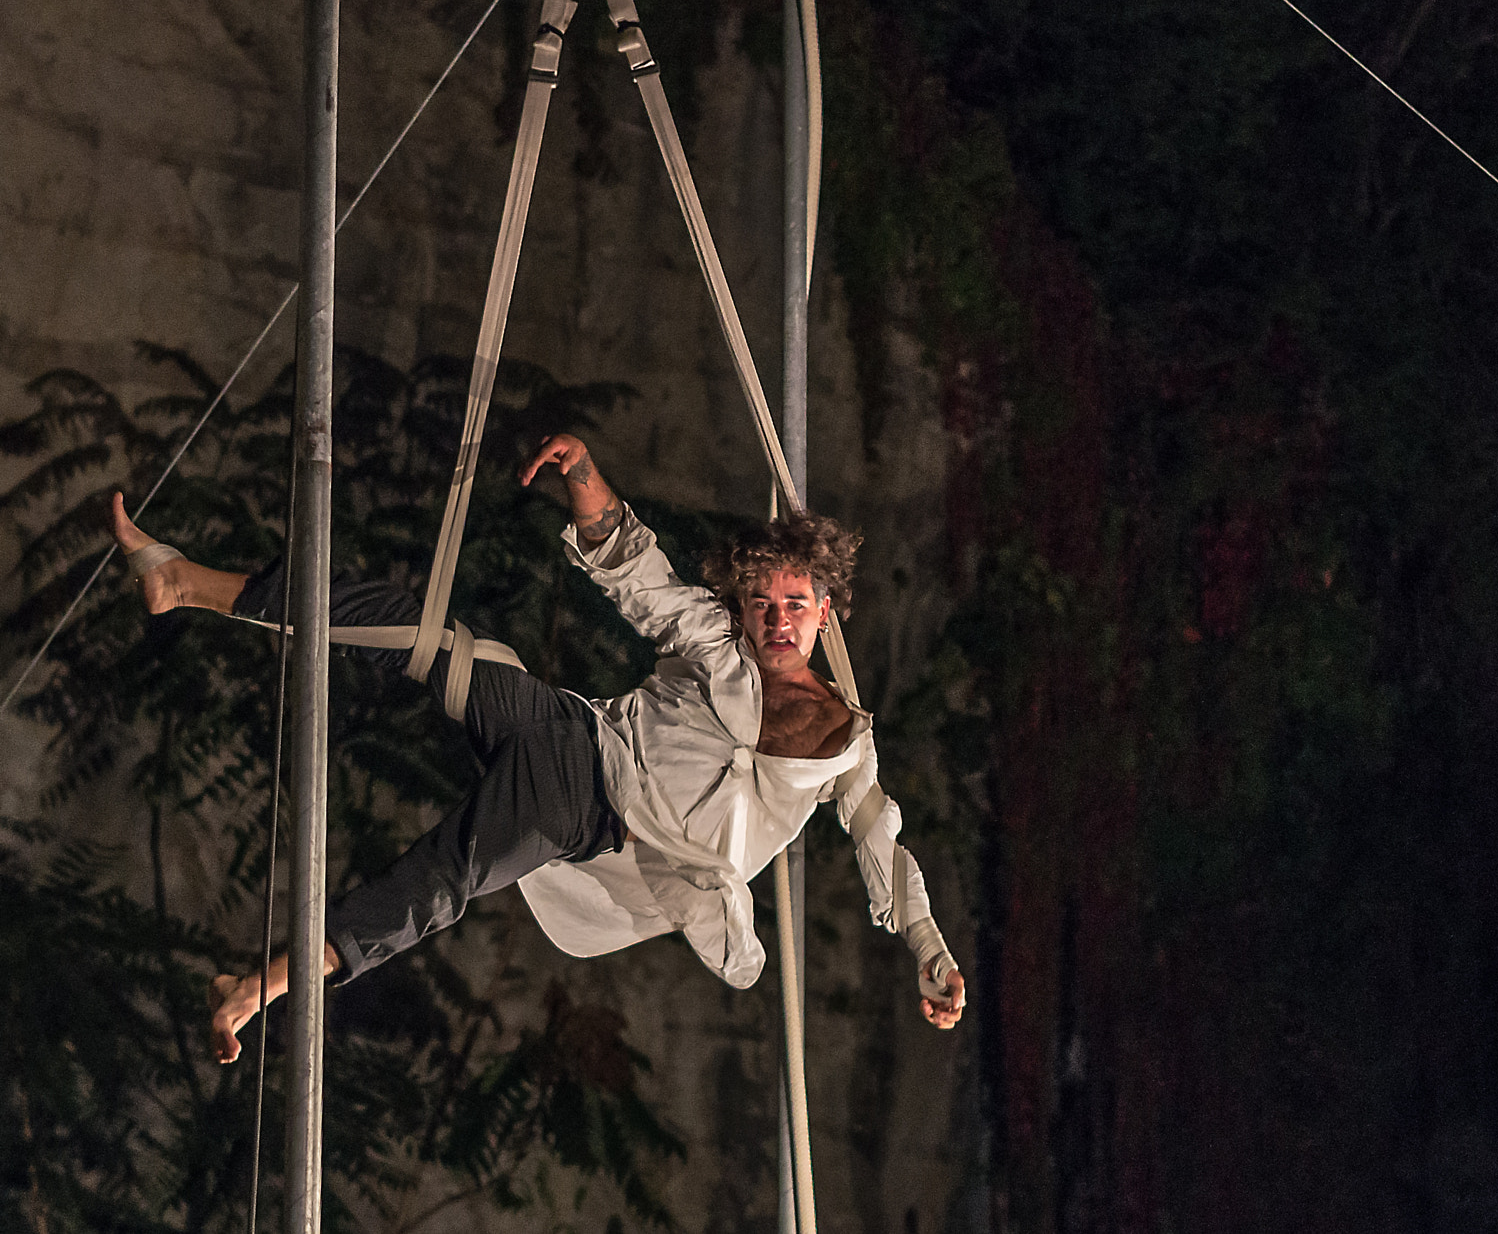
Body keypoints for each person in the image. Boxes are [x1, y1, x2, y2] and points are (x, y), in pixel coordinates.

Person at [110, 433, 965, 1064]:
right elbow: (643, 579)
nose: (776, 619)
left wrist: (930, 949)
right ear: (743, 607)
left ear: (827, 611)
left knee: (442, 880)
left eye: (795, 604)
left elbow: (881, 845)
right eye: (762, 602)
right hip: (566, 729)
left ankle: (258, 990)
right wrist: (585, 477)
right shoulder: (717, 643)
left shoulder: (848, 745)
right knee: (422, 633)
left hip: (586, 807)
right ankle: (188, 582)